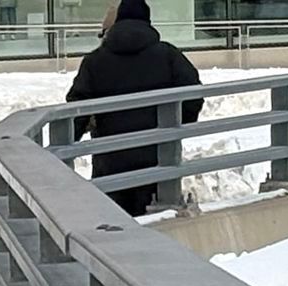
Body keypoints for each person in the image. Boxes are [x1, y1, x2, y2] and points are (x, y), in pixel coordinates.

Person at [66, 0, 203, 217]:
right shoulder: (168, 56)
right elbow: (193, 95)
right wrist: (177, 125)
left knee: (114, 223)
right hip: (158, 156)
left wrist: (70, 141)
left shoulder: (94, 62)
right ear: (148, 22)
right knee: (157, 221)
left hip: (110, 159)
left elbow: (76, 108)